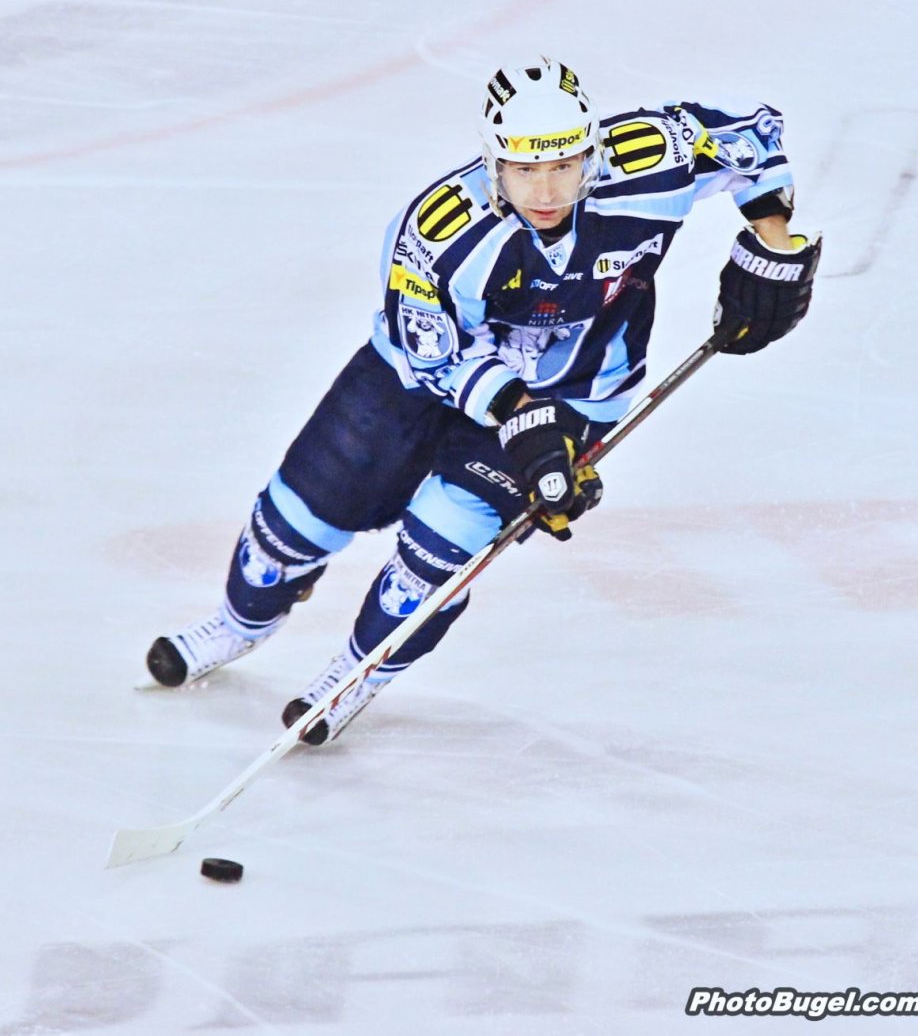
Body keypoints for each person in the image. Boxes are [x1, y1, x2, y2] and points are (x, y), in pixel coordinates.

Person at [146, 57, 821, 744]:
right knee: (300, 518)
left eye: (564, 165)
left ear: (591, 151)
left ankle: (355, 674)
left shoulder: (651, 163)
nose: (546, 190)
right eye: (524, 169)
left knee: (439, 549)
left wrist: (774, 245)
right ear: (494, 162)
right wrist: (522, 421)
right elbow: (430, 353)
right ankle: (238, 624)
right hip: (418, 379)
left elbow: (752, 132)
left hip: (577, 391)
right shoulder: (440, 232)